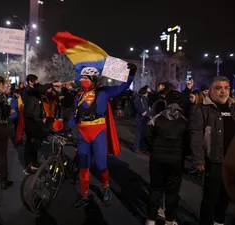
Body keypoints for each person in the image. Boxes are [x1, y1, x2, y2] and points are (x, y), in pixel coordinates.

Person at [68, 64, 136, 208]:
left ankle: (105, 186)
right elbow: (74, 116)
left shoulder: (104, 92)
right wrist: (65, 127)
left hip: (98, 132)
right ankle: (84, 195)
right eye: (82, 77)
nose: (83, 80)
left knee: (100, 165)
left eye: (86, 78)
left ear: (93, 79)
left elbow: (122, 87)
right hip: (82, 134)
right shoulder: (78, 96)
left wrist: (131, 73)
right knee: (83, 166)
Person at [189, 76, 235, 225]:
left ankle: (219, 221)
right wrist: (198, 159)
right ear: (211, 90)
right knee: (210, 198)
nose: (223, 91)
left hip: (232, 162)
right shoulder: (202, 109)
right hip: (214, 160)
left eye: (226, 88)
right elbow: (196, 134)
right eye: (219, 88)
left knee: (226, 196)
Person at [145, 91, 188, 225]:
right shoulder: (185, 121)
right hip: (176, 160)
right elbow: (188, 143)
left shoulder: (156, 118)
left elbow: (147, 137)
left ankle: (151, 219)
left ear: (166, 102)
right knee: (172, 192)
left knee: (155, 189)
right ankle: (170, 220)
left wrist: (154, 149)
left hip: (157, 158)